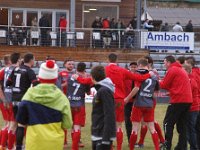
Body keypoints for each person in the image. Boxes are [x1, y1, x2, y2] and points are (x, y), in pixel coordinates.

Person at [16, 60, 72, 150]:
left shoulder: (29, 95)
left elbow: (21, 125)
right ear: (55, 79)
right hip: (55, 144)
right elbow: (67, 124)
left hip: (34, 143)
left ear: (40, 77)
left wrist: (18, 147)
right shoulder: (62, 98)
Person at [105, 53, 154, 150]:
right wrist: (149, 74)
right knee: (119, 125)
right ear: (117, 60)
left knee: (108, 123)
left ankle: (109, 146)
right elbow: (138, 78)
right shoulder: (122, 70)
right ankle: (119, 147)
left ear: (108, 60)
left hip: (107, 98)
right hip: (119, 99)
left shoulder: (104, 70)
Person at [125, 58, 160, 150]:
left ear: (139, 65)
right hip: (149, 104)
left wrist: (127, 98)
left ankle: (132, 148)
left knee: (135, 128)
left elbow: (136, 88)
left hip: (139, 104)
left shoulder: (138, 73)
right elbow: (155, 93)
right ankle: (157, 148)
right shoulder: (154, 75)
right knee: (152, 128)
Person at [160, 55, 192, 150]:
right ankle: (182, 147)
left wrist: (157, 80)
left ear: (169, 62)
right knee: (182, 126)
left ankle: (167, 145)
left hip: (178, 100)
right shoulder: (180, 69)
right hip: (187, 100)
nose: (164, 64)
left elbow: (164, 85)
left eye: (164, 62)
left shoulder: (172, 69)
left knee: (167, 123)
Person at [6, 53, 37, 150]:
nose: (35, 61)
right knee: (24, 125)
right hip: (24, 100)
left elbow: (8, 83)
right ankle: (21, 146)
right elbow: (35, 84)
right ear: (31, 60)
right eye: (34, 59)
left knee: (18, 124)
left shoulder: (15, 69)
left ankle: (16, 146)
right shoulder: (30, 71)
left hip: (15, 100)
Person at [134, 56, 165, 148]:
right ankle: (143, 142)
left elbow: (157, 87)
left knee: (148, 121)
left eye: (147, 62)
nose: (145, 64)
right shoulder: (149, 72)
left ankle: (142, 142)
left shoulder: (153, 73)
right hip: (147, 99)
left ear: (150, 63)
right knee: (147, 121)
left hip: (148, 99)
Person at [90, 65, 116, 150]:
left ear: (92, 77)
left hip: (102, 135)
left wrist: (106, 137)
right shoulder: (101, 90)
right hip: (97, 132)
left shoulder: (104, 91)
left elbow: (109, 114)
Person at [67, 62, 90, 150]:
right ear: (84, 70)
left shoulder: (70, 77)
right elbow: (88, 93)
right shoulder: (85, 80)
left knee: (72, 126)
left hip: (69, 104)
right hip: (79, 105)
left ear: (76, 68)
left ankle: (73, 144)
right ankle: (75, 147)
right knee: (77, 127)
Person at [0, 53, 21, 150]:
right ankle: (9, 146)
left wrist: (3, 99)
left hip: (4, 100)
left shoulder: (4, 70)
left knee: (7, 124)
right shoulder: (15, 71)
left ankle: (3, 145)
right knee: (12, 125)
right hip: (11, 100)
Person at [182, 64, 199, 150]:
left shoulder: (190, 80)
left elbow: (187, 93)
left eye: (183, 70)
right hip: (193, 107)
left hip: (192, 108)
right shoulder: (191, 79)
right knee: (191, 128)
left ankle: (193, 147)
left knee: (190, 129)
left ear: (187, 71)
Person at [124, 62, 137, 143]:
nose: (133, 68)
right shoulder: (125, 76)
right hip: (127, 101)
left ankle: (134, 140)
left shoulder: (138, 76)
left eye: (135, 67)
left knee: (136, 121)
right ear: (129, 67)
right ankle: (130, 140)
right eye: (132, 67)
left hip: (136, 102)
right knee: (128, 121)